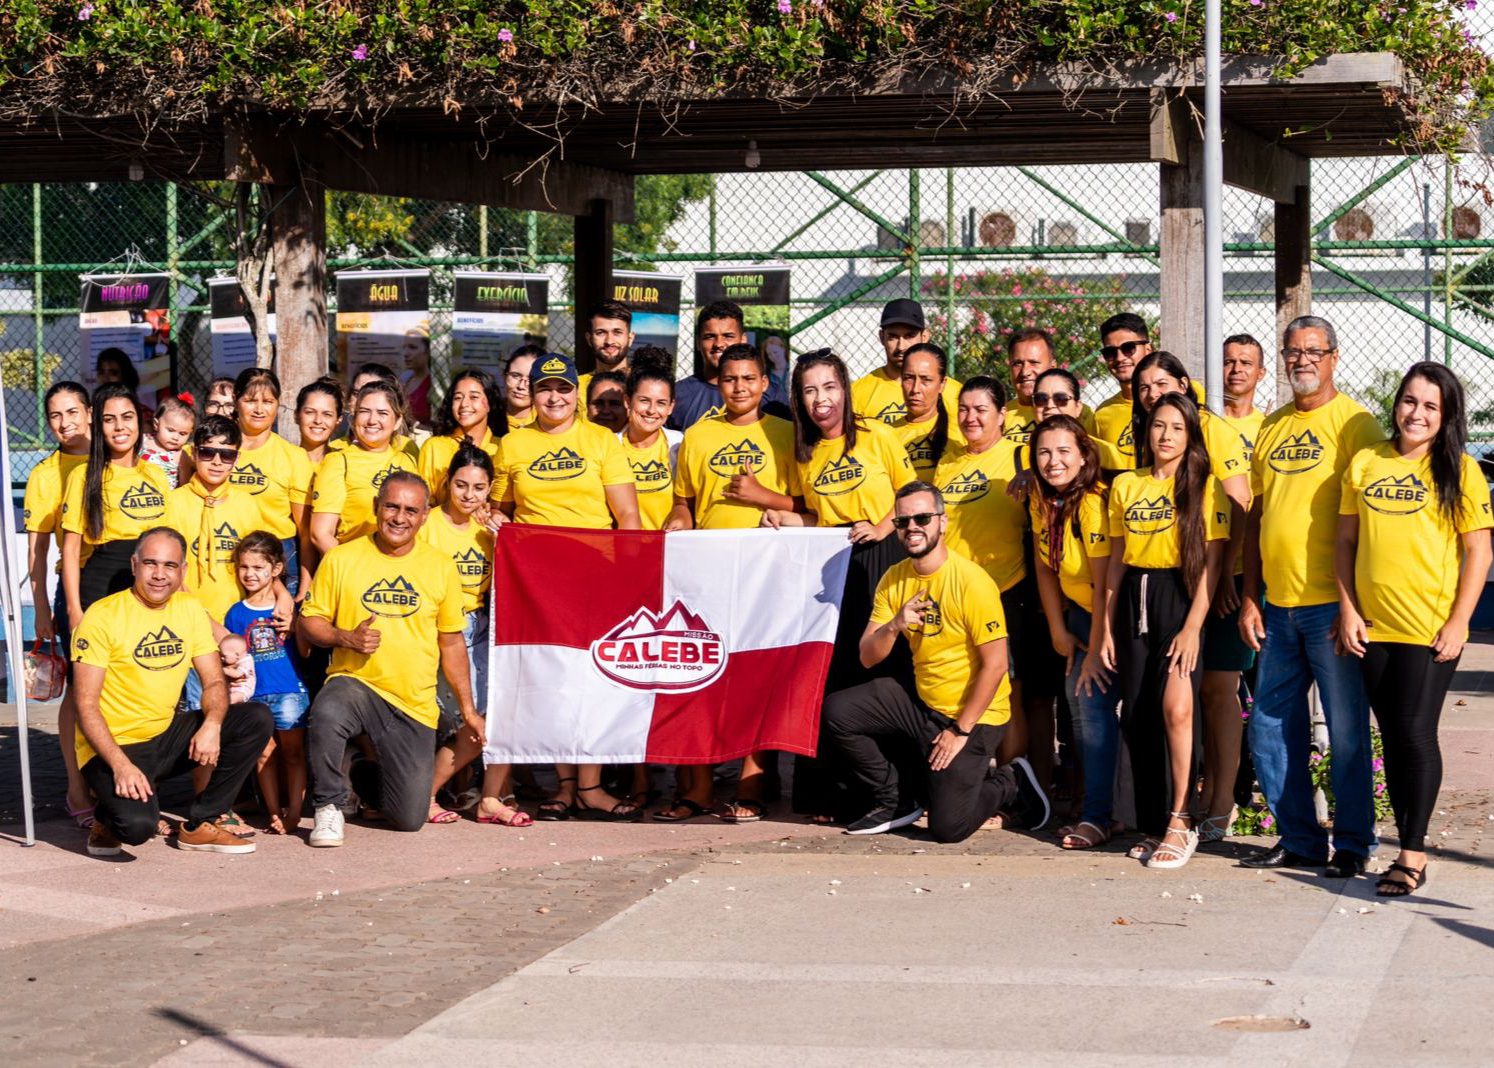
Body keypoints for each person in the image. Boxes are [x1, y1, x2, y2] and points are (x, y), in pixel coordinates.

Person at [1336, 363, 1492, 897]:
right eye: (1409, 401)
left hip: (1430, 631)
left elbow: (1479, 552)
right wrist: (1348, 610)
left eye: (1430, 405)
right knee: (1394, 738)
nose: (1416, 413)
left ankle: (1412, 854)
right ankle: (1406, 839)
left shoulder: (1460, 470)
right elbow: (1345, 544)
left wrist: (1459, 622)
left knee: (1415, 732)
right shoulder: (1366, 461)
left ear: (1445, 416)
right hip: (1374, 628)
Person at [823, 482, 1051, 841]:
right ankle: (896, 800)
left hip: (975, 715)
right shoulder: (894, 578)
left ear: (942, 523)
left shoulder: (971, 581)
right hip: (924, 702)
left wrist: (959, 731)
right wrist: (895, 624)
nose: (912, 527)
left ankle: (1011, 781)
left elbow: (995, 666)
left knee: (948, 829)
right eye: (902, 521)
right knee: (838, 711)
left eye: (922, 518)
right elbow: (867, 656)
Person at [1240, 316, 1386, 877]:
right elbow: (1256, 520)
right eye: (1293, 352)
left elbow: (1371, 518)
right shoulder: (1273, 427)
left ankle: (1352, 842)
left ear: (1334, 356)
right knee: (1272, 727)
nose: (1302, 360)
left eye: (1313, 351)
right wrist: (1251, 595)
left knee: (1347, 730)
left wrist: (1354, 603)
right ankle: (1300, 838)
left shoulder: (1357, 425)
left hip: (1332, 607)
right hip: (1278, 608)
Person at [764, 349, 915, 821]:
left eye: (829, 387)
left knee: (884, 670)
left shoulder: (876, 436)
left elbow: (910, 497)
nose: (820, 399)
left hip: (882, 558)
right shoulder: (805, 450)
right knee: (840, 673)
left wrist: (883, 526)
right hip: (836, 564)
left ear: (845, 389)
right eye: (809, 390)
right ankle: (849, 793)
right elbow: (816, 513)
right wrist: (785, 518)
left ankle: (904, 789)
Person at [492, 353, 643, 821]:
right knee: (553, 680)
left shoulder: (602, 441)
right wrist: (496, 520)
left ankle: (593, 787)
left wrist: (628, 575)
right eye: (544, 389)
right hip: (537, 582)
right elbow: (498, 508)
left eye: (563, 388)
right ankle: (565, 786)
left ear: (576, 394)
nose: (554, 397)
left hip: (595, 578)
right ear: (531, 394)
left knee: (595, 680)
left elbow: (629, 517)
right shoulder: (512, 446)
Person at [70, 527, 273, 857]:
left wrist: (212, 725)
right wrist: (120, 765)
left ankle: (201, 823)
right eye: (150, 563)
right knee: (136, 829)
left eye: (169, 565)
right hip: (113, 745)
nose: (159, 575)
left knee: (255, 718)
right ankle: (107, 816)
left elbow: (214, 682)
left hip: (164, 735)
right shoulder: (102, 616)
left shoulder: (190, 609)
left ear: (183, 571)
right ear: (134, 565)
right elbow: (85, 704)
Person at [664, 344, 800, 823]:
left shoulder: (786, 433)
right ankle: (699, 788)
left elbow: (808, 506)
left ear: (766, 383)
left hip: (769, 576)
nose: (739, 387)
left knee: (758, 679)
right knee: (703, 679)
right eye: (730, 379)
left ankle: (753, 785)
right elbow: (684, 501)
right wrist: (679, 520)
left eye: (749, 378)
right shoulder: (698, 436)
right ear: (716, 384)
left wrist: (765, 497)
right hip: (709, 575)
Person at [299, 472, 474, 845]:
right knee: (328, 710)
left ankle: (363, 774)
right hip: (356, 683)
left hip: (412, 702)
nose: (399, 517)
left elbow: (452, 644)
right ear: (377, 507)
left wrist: (468, 709)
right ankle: (328, 806)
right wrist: (343, 636)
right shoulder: (342, 557)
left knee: (408, 818)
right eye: (392, 506)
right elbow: (310, 621)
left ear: (425, 515)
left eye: (411, 510)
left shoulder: (441, 566)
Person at [1099, 392, 1229, 869]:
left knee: (1178, 708)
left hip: (1180, 596)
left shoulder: (1204, 487)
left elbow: (1213, 565)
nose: (1166, 435)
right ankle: (1154, 824)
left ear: (1190, 434)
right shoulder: (1126, 486)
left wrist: (1194, 626)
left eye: (1176, 427)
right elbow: (1115, 561)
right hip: (1134, 598)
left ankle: (1182, 818)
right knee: (1139, 713)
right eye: (1158, 426)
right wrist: (1107, 629)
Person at [932, 376, 1053, 789]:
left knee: (1008, 691)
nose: (971, 417)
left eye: (981, 409)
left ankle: (1012, 785)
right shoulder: (947, 463)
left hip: (1006, 592)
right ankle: (972, 780)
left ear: (1002, 415)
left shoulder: (1022, 457)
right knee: (964, 686)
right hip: (955, 598)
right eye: (963, 409)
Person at [1024, 415, 1120, 849]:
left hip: (1112, 614)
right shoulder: (1043, 500)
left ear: (1084, 457)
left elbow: (1105, 582)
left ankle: (1100, 816)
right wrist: (1058, 630)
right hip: (1077, 614)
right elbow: (1045, 567)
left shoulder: (1093, 502)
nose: (1053, 461)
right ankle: (1096, 811)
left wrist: (1098, 646)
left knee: (1092, 709)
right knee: (1080, 712)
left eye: (1064, 451)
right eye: (1044, 452)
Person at [420, 446, 529, 827]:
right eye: (461, 485)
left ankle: (491, 798)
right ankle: (425, 796)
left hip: (485, 625)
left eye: (479, 488)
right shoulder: (428, 524)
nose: (469, 495)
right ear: (447, 483)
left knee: (504, 715)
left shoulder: (490, 529)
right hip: (442, 629)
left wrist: (505, 537)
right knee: (472, 721)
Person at [1201, 335, 1269, 840]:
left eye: (1246, 363)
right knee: (1215, 686)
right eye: (1227, 361)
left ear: (1261, 373)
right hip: (1211, 568)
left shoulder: (1268, 430)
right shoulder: (1205, 425)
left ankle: (1252, 790)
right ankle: (1218, 789)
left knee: (1263, 691)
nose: (1236, 370)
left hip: (1256, 574)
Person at [24, 382, 93, 827]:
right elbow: (38, 553)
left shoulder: (122, 459)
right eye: (55, 415)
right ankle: (76, 785)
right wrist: (42, 609)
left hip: (129, 589)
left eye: (72, 412)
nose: (65, 423)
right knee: (79, 690)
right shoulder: (45, 475)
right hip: (76, 592)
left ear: (89, 412)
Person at [61, 384, 174, 633]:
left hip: (150, 585)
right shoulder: (83, 476)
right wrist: (74, 610)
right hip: (101, 587)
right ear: (98, 425)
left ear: (139, 420)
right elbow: (71, 550)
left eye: (127, 417)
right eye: (109, 419)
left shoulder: (155, 474)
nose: (120, 427)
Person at [226, 533, 311, 834]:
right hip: (255, 694)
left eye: (259, 568)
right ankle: (273, 811)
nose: (250, 574)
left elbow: (305, 652)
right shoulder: (235, 613)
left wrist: (298, 626)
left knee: (293, 755)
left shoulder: (287, 610)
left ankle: (295, 814)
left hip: (289, 691)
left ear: (275, 569)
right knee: (263, 755)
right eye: (244, 567)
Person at [164, 416, 267, 625]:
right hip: (185, 614)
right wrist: (199, 618)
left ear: (237, 459)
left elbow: (261, 563)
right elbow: (167, 568)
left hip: (238, 615)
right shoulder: (173, 503)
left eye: (227, 455)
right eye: (207, 453)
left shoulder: (247, 504)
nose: (217, 462)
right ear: (194, 453)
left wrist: (280, 595)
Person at [310, 380, 419, 553]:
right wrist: (355, 570)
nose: (372, 420)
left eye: (382, 413)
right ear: (353, 419)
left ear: (397, 421)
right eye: (364, 411)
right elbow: (320, 534)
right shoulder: (339, 462)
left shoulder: (407, 462)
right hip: (354, 569)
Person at [232, 368, 315, 595]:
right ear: (235, 400)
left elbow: (305, 532)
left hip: (280, 557)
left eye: (268, 401)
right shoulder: (216, 451)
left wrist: (305, 582)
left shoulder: (293, 457)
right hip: (226, 551)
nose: (259, 409)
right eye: (250, 400)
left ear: (278, 404)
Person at [670, 301, 789, 430]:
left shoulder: (772, 394)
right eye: (710, 336)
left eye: (728, 336)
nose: (719, 344)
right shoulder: (678, 394)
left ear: (743, 340)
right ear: (698, 343)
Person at [850, 299, 961, 425]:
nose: (901, 346)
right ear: (882, 337)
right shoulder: (858, 393)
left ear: (924, 336)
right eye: (893, 337)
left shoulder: (955, 394)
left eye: (909, 336)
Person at [417, 367, 506, 503]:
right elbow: (424, 501)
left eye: (474, 397)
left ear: (490, 403)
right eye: (458, 397)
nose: (464, 404)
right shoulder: (434, 446)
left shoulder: (502, 447)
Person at [617, 357, 681, 532]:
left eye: (661, 403)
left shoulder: (680, 445)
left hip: (668, 549)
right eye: (644, 400)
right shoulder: (609, 445)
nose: (652, 410)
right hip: (622, 547)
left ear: (671, 407)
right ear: (627, 401)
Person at [1002, 328, 1095, 445]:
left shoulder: (1079, 414)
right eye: (1017, 364)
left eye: (1034, 362)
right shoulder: (998, 417)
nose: (1025, 372)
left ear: (1053, 366)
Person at [1030, 367, 1128, 470]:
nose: (1049, 405)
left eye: (1060, 399)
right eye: (1041, 399)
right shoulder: (1019, 454)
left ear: (1078, 407)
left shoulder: (1103, 451)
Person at [890, 343, 964, 477]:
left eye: (926, 380)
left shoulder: (960, 431)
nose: (915, 389)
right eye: (908, 378)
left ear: (942, 384)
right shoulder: (886, 435)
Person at [577, 300, 635, 401]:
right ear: (589, 339)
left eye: (617, 332)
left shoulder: (644, 386)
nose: (609, 341)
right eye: (600, 333)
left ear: (630, 339)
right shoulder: (575, 389)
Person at [138, 395, 195, 488]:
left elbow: (184, 487)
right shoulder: (142, 441)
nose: (176, 437)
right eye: (171, 430)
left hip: (166, 500)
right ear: (156, 424)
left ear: (190, 433)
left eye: (183, 433)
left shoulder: (181, 455)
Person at [295, 376, 342, 470]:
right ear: (296, 415)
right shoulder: (282, 461)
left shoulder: (346, 463)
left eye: (327, 414)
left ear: (338, 420)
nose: (318, 420)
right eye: (310, 412)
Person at [503, 344, 542, 428]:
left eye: (531, 379)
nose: (521, 386)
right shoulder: (487, 418)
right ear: (504, 376)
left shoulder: (549, 420)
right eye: (515, 375)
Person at [401, 327, 434, 427]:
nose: (405, 353)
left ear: (428, 351)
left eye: (412, 347)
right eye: (404, 347)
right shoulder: (403, 379)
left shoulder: (433, 385)